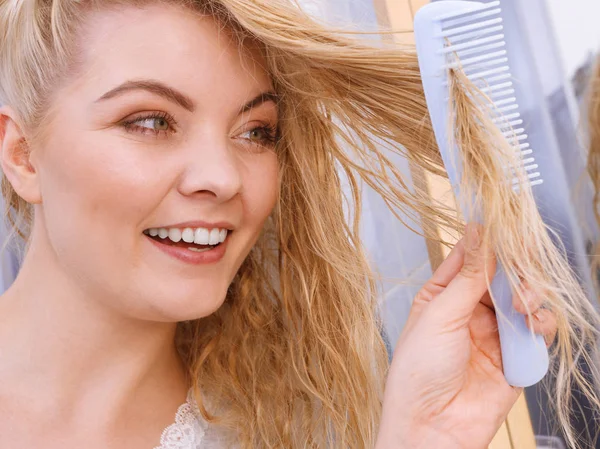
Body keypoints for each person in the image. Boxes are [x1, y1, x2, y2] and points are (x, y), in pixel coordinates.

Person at [0, 0, 581, 448]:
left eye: (256, 131)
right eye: (151, 121)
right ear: (23, 154)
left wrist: (421, 435)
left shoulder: (279, 434)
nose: (223, 177)